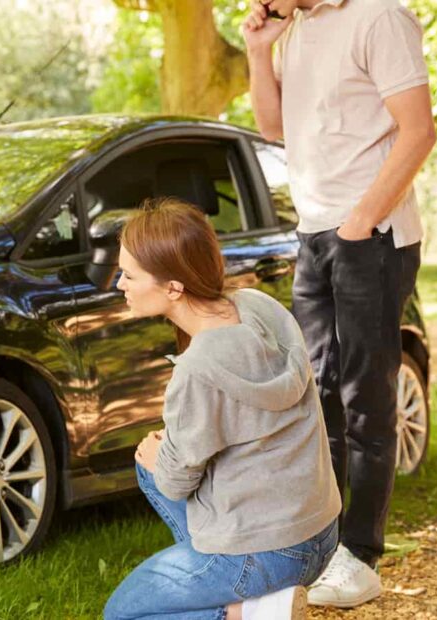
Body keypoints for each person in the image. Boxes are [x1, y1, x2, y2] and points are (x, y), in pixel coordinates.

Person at [241, 0, 437, 609]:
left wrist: (360, 222)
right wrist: (258, 49)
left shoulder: (380, 18)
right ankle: (323, 549)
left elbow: (419, 130)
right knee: (317, 393)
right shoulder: (297, 28)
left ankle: (362, 557)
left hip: (371, 236)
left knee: (363, 395)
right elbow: (274, 128)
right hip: (315, 234)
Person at [103, 198, 341, 620]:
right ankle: (224, 584)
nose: (119, 283)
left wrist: (163, 457)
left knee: (121, 614)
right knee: (150, 463)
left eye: (129, 275)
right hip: (320, 532)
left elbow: (175, 484)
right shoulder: (258, 306)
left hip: (271, 554)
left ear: (174, 287)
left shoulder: (196, 371)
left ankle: (248, 613)